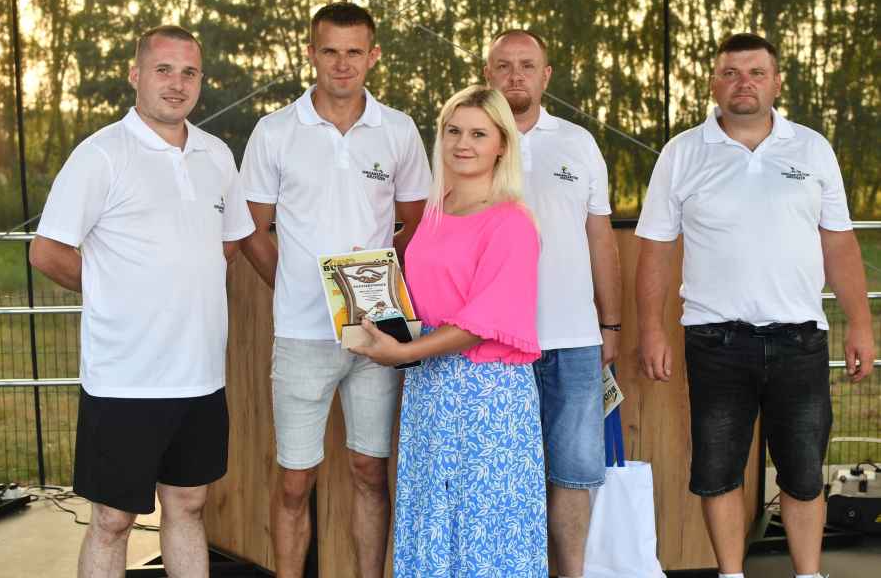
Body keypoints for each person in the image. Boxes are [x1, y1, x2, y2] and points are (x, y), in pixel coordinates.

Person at [636, 33, 875, 578]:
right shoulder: (681, 153)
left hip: (800, 340)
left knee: (804, 475)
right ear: (713, 84)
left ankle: (808, 574)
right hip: (715, 342)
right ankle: (731, 574)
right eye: (731, 73)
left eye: (756, 73)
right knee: (718, 472)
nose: (743, 83)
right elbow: (655, 250)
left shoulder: (812, 148)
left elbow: (839, 243)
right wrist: (651, 330)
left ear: (777, 83)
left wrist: (860, 324)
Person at [29, 25, 255, 578]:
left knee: (190, 506)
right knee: (112, 520)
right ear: (136, 75)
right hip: (125, 380)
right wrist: (117, 289)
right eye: (163, 70)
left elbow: (229, 241)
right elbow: (46, 251)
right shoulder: (101, 154)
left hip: (200, 376)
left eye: (189, 72)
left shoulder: (216, 154)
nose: (177, 84)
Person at [238, 2, 430, 578]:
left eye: (354, 52)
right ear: (311, 54)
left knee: (371, 472)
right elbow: (250, 227)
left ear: (373, 56)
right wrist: (296, 282)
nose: (342, 64)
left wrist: (381, 283)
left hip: (378, 334)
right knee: (295, 481)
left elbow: (418, 221)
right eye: (330, 51)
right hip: (302, 334)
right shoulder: (274, 131)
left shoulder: (398, 129)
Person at [352, 85, 548, 577]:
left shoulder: (511, 222)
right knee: (431, 512)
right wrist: (369, 291)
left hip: (488, 395)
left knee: (485, 520)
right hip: (430, 389)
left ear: (502, 144)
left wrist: (404, 353)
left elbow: (484, 322)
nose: (463, 143)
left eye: (478, 134)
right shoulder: (436, 210)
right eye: (453, 131)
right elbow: (426, 295)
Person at [484, 29, 622, 578]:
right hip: (491, 343)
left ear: (546, 76)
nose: (514, 75)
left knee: (573, 475)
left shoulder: (578, 143)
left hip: (574, 341)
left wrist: (611, 325)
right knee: (502, 478)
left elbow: (601, 239)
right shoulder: (467, 139)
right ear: (487, 74)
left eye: (527, 65)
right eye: (503, 65)